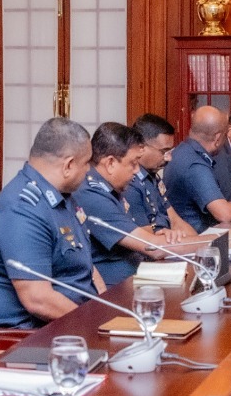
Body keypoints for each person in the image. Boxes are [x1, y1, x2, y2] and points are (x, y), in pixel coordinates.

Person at [0, 117, 104, 327]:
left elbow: (86, 266)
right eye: (86, 163)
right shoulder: (23, 209)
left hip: (72, 320)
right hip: (27, 332)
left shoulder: (62, 196)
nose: (89, 170)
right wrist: (95, 326)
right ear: (68, 165)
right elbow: (38, 300)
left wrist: (104, 310)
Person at [76, 122, 182, 287]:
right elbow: (153, 248)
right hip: (116, 288)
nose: (137, 170)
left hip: (136, 276)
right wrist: (212, 243)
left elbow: (133, 232)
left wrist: (157, 233)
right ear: (110, 163)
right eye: (133, 163)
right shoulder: (91, 194)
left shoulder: (111, 188)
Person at [129, 114, 197, 236]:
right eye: (164, 151)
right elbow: (147, 241)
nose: (169, 158)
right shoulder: (129, 184)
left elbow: (175, 221)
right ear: (141, 147)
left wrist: (204, 244)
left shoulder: (153, 176)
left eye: (170, 151)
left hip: (168, 242)